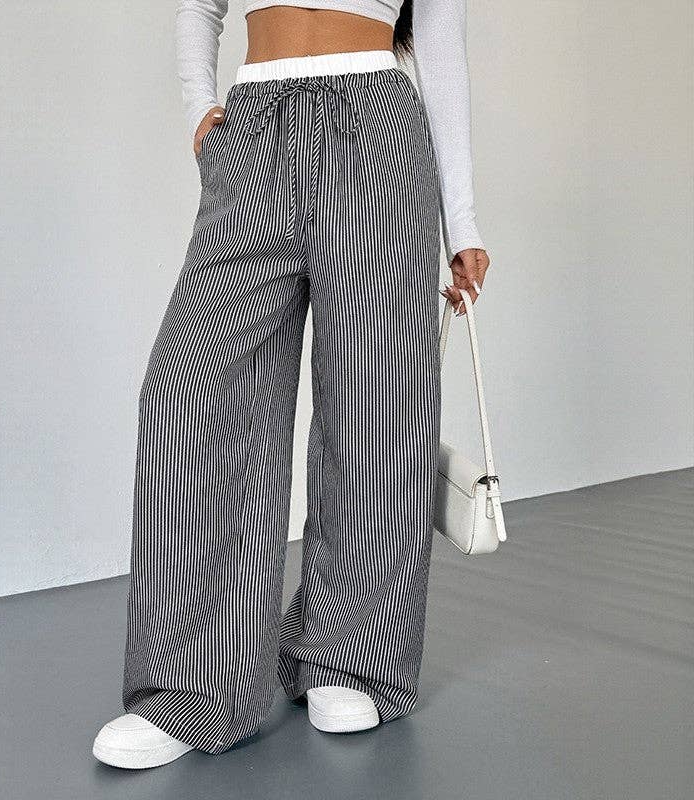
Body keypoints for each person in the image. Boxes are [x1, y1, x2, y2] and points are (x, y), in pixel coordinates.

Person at [93, 0, 490, 769]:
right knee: (188, 396)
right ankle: (191, 684)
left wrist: (463, 222)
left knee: (377, 406)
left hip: (377, 130)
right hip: (255, 125)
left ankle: (351, 656)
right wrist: (201, 108)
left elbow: (441, 45)